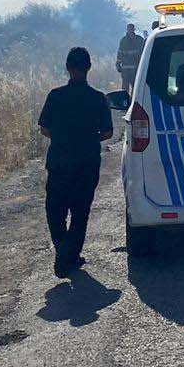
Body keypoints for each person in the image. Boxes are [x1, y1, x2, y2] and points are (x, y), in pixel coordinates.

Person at [39, 46, 114, 278]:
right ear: (89, 68)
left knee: (55, 209)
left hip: (59, 161)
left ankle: (63, 248)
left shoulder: (55, 95)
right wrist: (89, 139)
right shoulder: (97, 98)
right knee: (80, 212)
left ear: (67, 68)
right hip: (87, 162)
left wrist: (63, 139)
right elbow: (108, 133)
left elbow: (44, 129)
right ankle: (69, 253)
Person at [116, 23, 146, 93]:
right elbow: (120, 53)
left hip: (136, 69)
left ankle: (133, 101)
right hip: (125, 69)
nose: (130, 30)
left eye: (131, 29)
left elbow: (143, 53)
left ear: (134, 29)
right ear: (127, 30)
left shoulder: (139, 40)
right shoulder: (123, 40)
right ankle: (125, 102)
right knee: (125, 89)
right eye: (129, 29)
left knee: (135, 87)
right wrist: (118, 64)